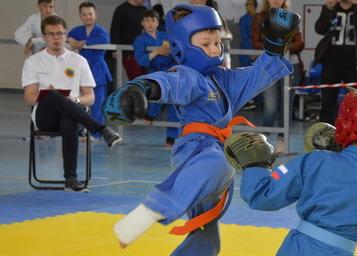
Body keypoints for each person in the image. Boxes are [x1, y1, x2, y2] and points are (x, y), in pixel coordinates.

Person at [110, 5, 300, 255]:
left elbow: (257, 75)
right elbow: (171, 82)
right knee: (220, 163)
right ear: (181, 48)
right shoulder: (190, 76)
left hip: (215, 156)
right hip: (196, 152)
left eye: (217, 42)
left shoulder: (224, 79)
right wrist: (143, 88)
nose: (214, 49)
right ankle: (152, 210)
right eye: (205, 44)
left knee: (206, 239)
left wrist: (275, 46)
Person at [228, 89, 357, 256]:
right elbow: (350, 177)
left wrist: (256, 164)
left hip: (304, 249)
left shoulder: (317, 161)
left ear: (344, 122)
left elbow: (263, 197)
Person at [21, 15, 121, 192]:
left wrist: (74, 100)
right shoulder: (32, 62)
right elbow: (29, 98)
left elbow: (90, 97)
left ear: (66, 35)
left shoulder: (79, 61)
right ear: (43, 37)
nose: (56, 37)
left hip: (73, 113)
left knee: (69, 121)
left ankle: (71, 179)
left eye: (60, 33)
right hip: (45, 116)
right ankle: (101, 129)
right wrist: (49, 96)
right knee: (52, 95)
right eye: (51, 34)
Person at [252, 0, 305, 154]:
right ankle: (263, 141)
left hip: (290, 66)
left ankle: (282, 142)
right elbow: (254, 43)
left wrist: (282, 47)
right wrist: (273, 46)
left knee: (286, 106)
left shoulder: (292, 17)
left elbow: (300, 43)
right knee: (270, 106)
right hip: (268, 66)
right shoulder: (259, 17)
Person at [315, 0, 357, 124]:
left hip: (354, 65)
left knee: (355, 104)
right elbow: (320, 29)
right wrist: (327, 9)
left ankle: (351, 136)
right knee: (327, 104)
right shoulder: (332, 7)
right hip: (331, 63)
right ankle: (325, 136)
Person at [133, 9, 179, 148]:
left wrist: (170, 52)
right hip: (155, 74)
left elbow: (177, 51)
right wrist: (157, 51)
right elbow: (141, 60)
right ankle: (150, 114)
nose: (150, 23)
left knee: (174, 105)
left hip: (171, 72)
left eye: (153, 20)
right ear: (142, 23)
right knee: (157, 97)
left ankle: (171, 139)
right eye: (147, 20)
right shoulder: (140, 40)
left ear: (158, 22)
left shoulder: (166, 35)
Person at [68, 1, 113, 142]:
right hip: (81, 71)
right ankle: (82, 131)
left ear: (95, 15)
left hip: (98, 71)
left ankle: (96, 134)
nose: (87, 17)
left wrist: (82, 43)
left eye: (90, 14)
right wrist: (71, 40)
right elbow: (68, 36)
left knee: (97, 104)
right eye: (84, 14)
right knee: (80, 103)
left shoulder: (100, 30)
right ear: (80, 16)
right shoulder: (77, 30)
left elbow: (104, 39)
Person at [110, 0, 147, 80]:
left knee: (146, 79)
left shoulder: (144, 10)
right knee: (137, 79)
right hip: (128, 52)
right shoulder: (121, 9)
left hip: (144, 52)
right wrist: (115, 49)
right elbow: (115, 30)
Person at [238, 0, 258, 67]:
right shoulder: (244, 19)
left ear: (255, 6)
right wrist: (251, 52)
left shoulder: (259, 18)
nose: (248, 6)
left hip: (258, 52)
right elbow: (244, 37)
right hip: (246, 54)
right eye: (246, 4)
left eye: (250, 4)